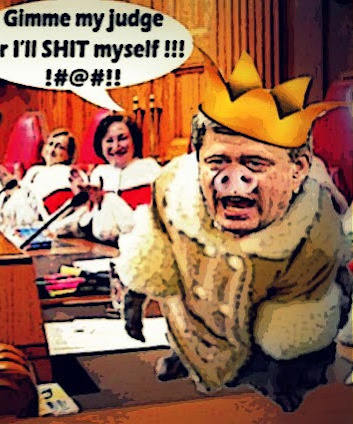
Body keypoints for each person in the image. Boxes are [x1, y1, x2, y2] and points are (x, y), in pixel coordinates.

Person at [114, 52, 352, 412]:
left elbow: (305, 316)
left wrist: (284, 381)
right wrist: (136, 294)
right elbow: (154, 249)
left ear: (298, 169)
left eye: (255, 163)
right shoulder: (172, 190)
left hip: (262, 363)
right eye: (218, 161)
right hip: (190, 333)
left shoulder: (315, 229)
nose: (235, 181)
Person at [50, 114, 161, 244]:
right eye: (109, 141)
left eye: (122, 138)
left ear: (134, 141)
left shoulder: (150, 170)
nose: (116, 146)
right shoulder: (99, 174)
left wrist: (106, 199)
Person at [0, 128, 82, 229]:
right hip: (22, 216)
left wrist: (18, 191)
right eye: (50, 144)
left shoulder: (69, 173)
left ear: (69, 155)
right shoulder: (35, 170)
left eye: (60, 147)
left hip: (41, 221)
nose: (52, 150)